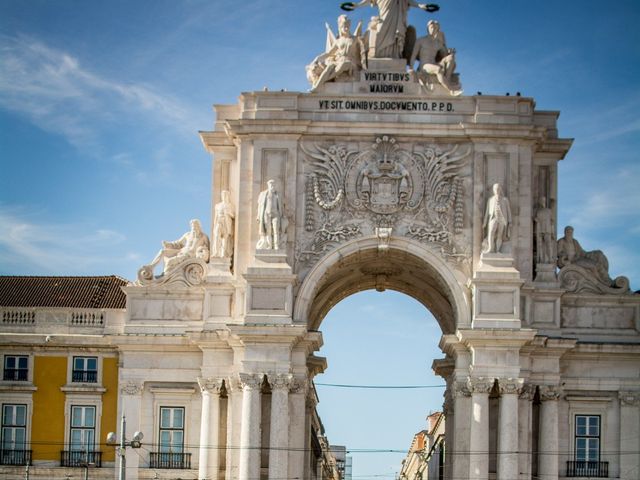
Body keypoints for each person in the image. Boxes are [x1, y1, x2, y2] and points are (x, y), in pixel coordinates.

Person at [350, 0, 428, 58]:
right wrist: (357, 5)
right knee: (380, 34)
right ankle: (380, 57)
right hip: (384, 18)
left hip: (397, 20)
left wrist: (420, 5)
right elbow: (369, 0)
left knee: (396, 37)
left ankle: (395, 56)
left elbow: (408, 1)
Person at [308, 15, 366, 91]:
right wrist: (317, 58)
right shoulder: (338, 41)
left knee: (344, 64)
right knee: (330, 66)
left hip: (351, 63)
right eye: (343, 27)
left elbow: (362, 52)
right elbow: (329, 53)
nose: (345, 28)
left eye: (347, 26)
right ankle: (317, 86)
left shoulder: (355, 39)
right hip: (339, 62)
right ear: (340, 28)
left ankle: (325, 80)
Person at [409, 20, 461, 95]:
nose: (433, 29)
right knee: (438, 69)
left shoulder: (438, 43)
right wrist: (411, 67)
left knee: (451, 57)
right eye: (432, 27)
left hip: (434, 63)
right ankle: (451, 90)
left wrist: (450, 52)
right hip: (424, 66)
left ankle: (447, 80)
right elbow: (413, 55)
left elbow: (445, 55)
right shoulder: (421, 40)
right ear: (428, 28)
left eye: (436, 28)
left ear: (437, 30)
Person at [145, 219, 209, 275]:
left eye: (195, 226)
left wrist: (203, 253)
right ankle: (151, 267)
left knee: (169, 262)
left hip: (189, 256)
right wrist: (168, 244)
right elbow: (177, 243)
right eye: (192, 226)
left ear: (199, 227)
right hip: (181, 251)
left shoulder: (203, 237)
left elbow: (208, 249)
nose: (193, 228)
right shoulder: (187, 234)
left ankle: (166, 277)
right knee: (163, 251)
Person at [483, 183, 511, 253]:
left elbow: (508, 211)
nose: (497, 190)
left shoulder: (505, 200)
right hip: (493, 218)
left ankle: (498, 250)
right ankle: (490, 248)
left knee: (499, 235)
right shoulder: (491, 200)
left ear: (500, 189)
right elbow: (487, 212)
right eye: (495, 189)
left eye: (498, 189)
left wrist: (510, 221)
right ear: (493, 190)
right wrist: (485, 222)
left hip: (502, 219)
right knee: (491, 233)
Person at [257, 179, 283, 250]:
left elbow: (280, 206)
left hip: (275, 214)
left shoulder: (277, 195)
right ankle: (269, 245)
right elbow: (260, 206)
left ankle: (276, 245)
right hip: (266, 214)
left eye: (273, 184)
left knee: (276, 230)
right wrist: (258, 216)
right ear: (268, 185)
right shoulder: (263, 194)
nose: (272, 186)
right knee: (268, 231)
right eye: (271, 184)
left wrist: (282, 215)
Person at [212, 190, 235, 258]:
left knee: (225, 238)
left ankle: (223, 253)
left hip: (227, 222)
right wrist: (214, 225)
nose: (224, 196)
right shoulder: (217, 205)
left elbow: (233, 215)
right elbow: (215, 216)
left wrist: (228, 212)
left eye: (225, 195)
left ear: (228, 196)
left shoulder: (230, 205)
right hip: (219, 221)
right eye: (223, 195)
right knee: (216, 236)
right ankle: (216, 252)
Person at [534, 196, 555, 264]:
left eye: (543, 200)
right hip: (540, 230)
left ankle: (550, 258)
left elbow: (552, 222)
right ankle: (541, 259)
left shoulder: (549, 211)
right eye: (541, 200)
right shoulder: (538, 211)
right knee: (540, 246)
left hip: (547, 230)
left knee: (548, 245)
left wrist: (552, 233)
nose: (542, 202)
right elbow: (536, 219)